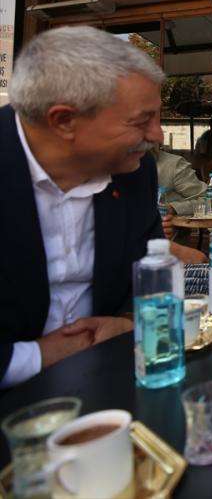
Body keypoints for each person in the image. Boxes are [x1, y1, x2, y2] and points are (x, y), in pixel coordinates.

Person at [1, 26, 166, 388]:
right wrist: (37, 356)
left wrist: (128, 324)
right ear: (64, 121)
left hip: (110, 382)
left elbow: (150, 275)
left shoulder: (135, 173)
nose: (157, 135)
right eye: (142, 121)